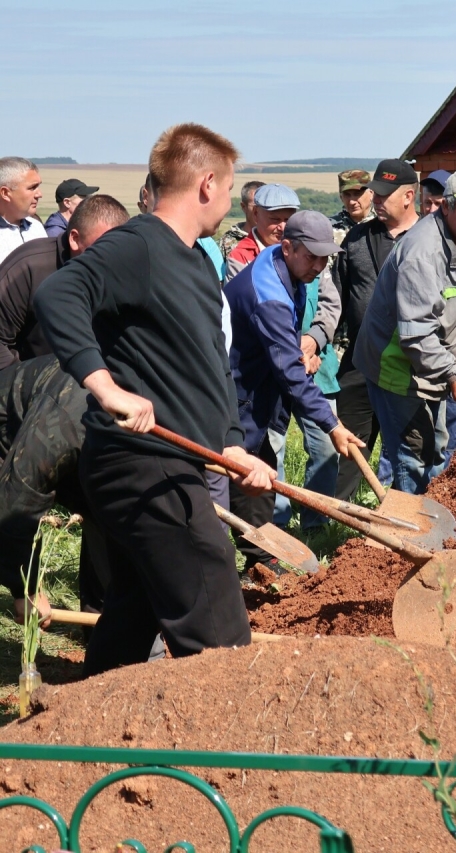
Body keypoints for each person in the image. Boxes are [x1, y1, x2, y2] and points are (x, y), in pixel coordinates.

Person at [32, 123, 276, 676]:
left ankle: (85, 741)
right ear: (208, 183)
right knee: (219, 634)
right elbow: (59, 293)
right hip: (143, 464)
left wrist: (231, 447)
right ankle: (230, 755)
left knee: (133, 616)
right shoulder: (137, 245)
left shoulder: (194, 260)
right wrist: (105, 386)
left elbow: (209, 371)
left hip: (177, 460)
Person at [224, 210, 362, 568]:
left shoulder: (283, 266)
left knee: (259, 481)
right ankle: (233, 567)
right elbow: (288, 370)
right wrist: (331, 425)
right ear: (287, 247)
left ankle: (262, 564)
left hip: (256, 394)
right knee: (234, 480)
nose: (320, 265)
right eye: (312, 256)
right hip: (233, 400)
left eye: (325, 257)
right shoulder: (267, 294)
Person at [353, 169, 456, 493]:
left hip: (432, 362)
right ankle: (411, 532)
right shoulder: (423, 252)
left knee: (437, 445)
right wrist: (453, 375)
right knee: (411, 454)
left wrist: (455, 358)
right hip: (396, 364)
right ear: (446, 207)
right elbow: (416, 335)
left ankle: (433, 519)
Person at [333, 158, 421, 500]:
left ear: (409, 196)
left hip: (408, 365)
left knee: (408, 452)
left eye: (385, 195)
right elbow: (337, 297)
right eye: (377, 195)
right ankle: (337, 520)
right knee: (349, 448)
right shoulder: (356, 238)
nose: (377, 201)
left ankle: (407, 517)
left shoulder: (428, 240)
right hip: (359, 361)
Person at [0, 194, 129, 371]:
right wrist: (24, 386)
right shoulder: (30, 266)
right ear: (75, 239)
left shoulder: (124, 270)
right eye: (103, 247)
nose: (111, 257)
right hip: (30, 384)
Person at [226, 183, 298, 279]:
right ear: (256, 214)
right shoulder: (241, 257)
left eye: (287, 220)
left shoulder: (301, 250)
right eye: (275, 220)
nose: (282, 227)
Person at [0, 158, 46, 265]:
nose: (39, 194)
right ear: (5, 193)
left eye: (38, 186)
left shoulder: (36, 227)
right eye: (32, 188)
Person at [218, 180, 264, 260]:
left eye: (265, 206)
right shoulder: (227, 242)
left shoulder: (277, 239)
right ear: (243, 207)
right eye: (255, 207)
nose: (260, 211)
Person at [330, 169, 374, 248]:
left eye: (357, 194)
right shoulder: (329, 227)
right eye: (347, 195)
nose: (351, 202)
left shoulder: (384, 223)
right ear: (341, 197)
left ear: (371, 194)